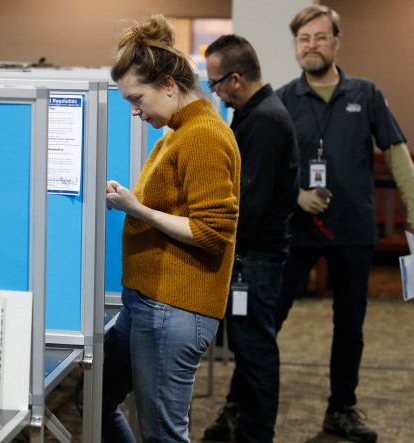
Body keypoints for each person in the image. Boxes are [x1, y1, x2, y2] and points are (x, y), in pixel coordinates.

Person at [274, 5, 414, 443]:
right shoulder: (283, 98)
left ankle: (342, 409)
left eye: (319, 37)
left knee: (350, 325)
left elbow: (396, 153)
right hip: (296, 229)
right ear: (296, 46)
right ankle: (242, 404)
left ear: (336, 40)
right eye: (303, 39)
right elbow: (268, 164)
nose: (311, 45)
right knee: (268, 319)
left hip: (352, 229)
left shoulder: (366, 93)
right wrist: (296, 194)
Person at [101, 14, 241, 443]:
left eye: (137, 98)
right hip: (148, 303)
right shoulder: (178, 133)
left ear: (167, 84)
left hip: (173, 308)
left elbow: (212, 233)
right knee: (97, 401)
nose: (135, 110)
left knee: (163, 433)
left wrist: (136, 209)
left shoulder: (201, 136)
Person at [199, 35, 300, 443]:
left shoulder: (265, 121)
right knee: (250, 348)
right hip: (254, 258)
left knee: (256, 352)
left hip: (255, 261)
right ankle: (241, 424)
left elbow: (250, 204)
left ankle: (257, 435)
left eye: (215, 82)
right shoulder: (258, 114)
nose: (214, 91)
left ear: (236, 79)